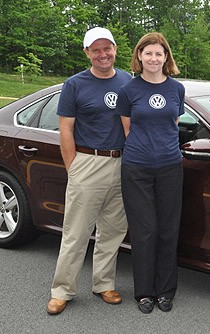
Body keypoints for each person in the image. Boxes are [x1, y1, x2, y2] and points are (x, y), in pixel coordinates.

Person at [47, 27, 132, 315]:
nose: (102, 54)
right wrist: (74, 168)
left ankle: (104, 284)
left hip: (121, 163)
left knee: (113, 230)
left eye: (107, 48)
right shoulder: (74, 84)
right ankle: (62, 290)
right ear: (87, 53)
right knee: (76, 232)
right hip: (88, 161)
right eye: (95, 49)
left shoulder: (127, 80)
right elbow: (65, 128)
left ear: (115, 49)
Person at [115, 32, 185, 314]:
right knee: (145, 232)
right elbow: (127, 129)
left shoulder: (177, 89)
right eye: (148, 53)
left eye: (159, 53)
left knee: (169, 230)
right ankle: (144, 292)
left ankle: (166, 291)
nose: (154, 58)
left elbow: (173, 124)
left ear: (166, 57)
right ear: (139, 57)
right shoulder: (128, 90)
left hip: (170, 166)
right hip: (137, 168)